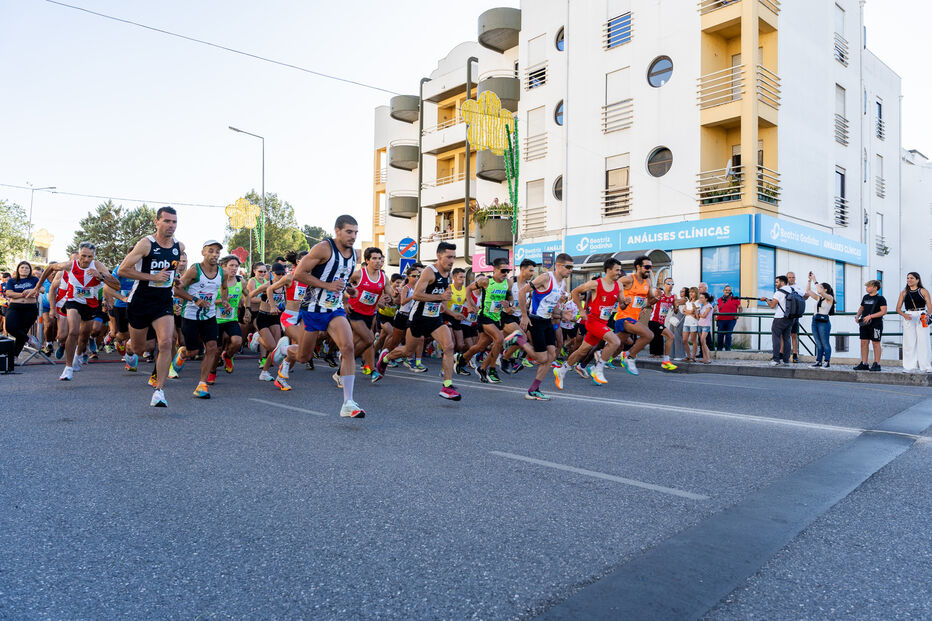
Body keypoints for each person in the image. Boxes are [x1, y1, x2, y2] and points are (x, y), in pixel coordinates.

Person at [278, 215, 366, 418]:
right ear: (337, 230)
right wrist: (327, 286)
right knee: (303, 357)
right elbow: (299, 274)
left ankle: (348, 402)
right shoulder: (323, 248)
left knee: (348, 347)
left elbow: (340, 277)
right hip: (313, 309)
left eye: (355, 232)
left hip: (334, 308)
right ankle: (283, 349)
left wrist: (348, 289)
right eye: (349, 232)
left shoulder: (354, 254)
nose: (353, 236)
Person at [377, 242, 462, 400]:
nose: (452, 261)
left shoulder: (447, 274)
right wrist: (440, 297)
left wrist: (447, 300)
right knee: (408, 351)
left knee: (449, 346)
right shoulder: (429, 272)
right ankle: (386, 358)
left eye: (454, 257)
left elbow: (443, 294)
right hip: (418, 318)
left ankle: (447, 386)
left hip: (435, 318)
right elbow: (416, 295)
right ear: (439, 256)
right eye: (448, 257)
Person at [118, 206, 184, 407]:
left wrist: (175, 280)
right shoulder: (146, 244)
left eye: (174, 222)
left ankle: (159, 391)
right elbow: (123, 270)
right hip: (140, 301)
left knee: (165, 343)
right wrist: (152, 277)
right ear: (157, 222)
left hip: (163, 301)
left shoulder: (179, 246)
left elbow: (170, 271)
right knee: (139, 348)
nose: (171, 225)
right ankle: (129, 351)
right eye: (166, 221)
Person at [35, 243, 121, 380]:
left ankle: (79, 354)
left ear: (94, 256)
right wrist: (37, 286)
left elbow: (117, 285)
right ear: (79, 254)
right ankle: (68, 368)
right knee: (73, 331)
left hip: (91, 305)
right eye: (83, 256)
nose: (86, 260)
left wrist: (101, 277)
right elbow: (51, 267)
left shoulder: (98, 266)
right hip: (73, 301)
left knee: (83, 337)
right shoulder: (70, 265)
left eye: (90, 257)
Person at [553, 258, 626, 389]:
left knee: (583, 350)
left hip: (603, 322)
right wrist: (581, 310)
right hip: (592, 320)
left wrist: (626, 302)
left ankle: (562, 370)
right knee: (615, 341)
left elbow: (622, 304)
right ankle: (597, 369)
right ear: (608, 270)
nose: (619, 273)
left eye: (620, 270)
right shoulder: (596, 284)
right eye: (617, 270)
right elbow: (575, 292)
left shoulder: (619, 286)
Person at [169, 240, 229, 399]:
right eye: (211, 251)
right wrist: (195, 299)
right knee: (193, 351)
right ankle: (182, 353)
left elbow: (224, 287)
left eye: (217, 252)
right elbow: (176, 290)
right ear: (203, 252)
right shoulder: (195, 270)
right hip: (190, 316)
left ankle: (202, 384)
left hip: (209, 316)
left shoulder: (222, 272)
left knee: (212, 347)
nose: (214, 254)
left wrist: (224, 300)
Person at [518, 252, 573, 400]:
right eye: (568, 267)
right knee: (542, 358)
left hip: (548, 321)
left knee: (551, 357)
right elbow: (522, 292)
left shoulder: (563, 284)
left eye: (572, 268)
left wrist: (562, 314)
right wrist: (524, 315)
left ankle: (533, 390)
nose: (570, 270)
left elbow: (552, 304)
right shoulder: (546, 278)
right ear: (559, 266)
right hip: (535, 320)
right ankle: (518, 340)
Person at [347, 247, 396, 382]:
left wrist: (389, 298)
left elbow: (389, 295)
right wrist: (345, 302)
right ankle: (369, 369)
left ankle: (347, 359)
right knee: (369, 339)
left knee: (360, 342)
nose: (378, 261)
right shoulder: (358, 274)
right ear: (367, 260)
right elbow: (344, 285)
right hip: (354, 312)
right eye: (374, 258)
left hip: (370, 313)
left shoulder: (384, 278)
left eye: (380, 259)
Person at [612, 255, 658, 375]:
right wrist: (621, 300)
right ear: (638, 267)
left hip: (634, 318)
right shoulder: (628, 279)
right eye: (647, 267)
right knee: (648, 335)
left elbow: (648, 301)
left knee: (615, 347)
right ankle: (630, 356)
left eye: (650, 267)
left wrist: (655, 299)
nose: (649, 269)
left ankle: (594, 363)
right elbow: (612, 287)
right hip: (623, 317)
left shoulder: (647, 282)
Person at [3, 261, 41, 359]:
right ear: (18, 269)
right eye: (22, 267)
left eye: (27, 268)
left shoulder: (34, 279)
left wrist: (32, 290)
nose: (24, 269)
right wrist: (23, 294)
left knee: (23, 331)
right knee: (10, 327)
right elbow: (9, 293)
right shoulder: (12, 280)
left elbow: (42, 289)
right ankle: (29, 339)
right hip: (15, 307)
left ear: (30, 270)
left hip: (30, 309)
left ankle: (14, 357)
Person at [215, 255, 244, 378]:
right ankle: (211, 373)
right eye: (231, 265)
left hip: (231, 319)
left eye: (236, 266)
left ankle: (228, 356)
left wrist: (246, 308)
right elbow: (207, 300)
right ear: (223, 267)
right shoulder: (216, 281)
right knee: (216, 350)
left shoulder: (240, 281)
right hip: (215, 320)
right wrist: (223, 300)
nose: (234, 268)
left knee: (237, 342)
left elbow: (247, 294)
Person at [896, 272, 932, 373]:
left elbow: (929, 306)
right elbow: (898, 308)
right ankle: (909, 367)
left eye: (911, 278)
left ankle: (926, 366)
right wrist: (904, 315)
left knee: (924, 341)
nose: (909, 280)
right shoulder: (904, 292)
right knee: (909, 342)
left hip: (922, 315)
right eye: (907, 278)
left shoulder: (923, 291)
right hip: (909, 315)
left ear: (917, 280)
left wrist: (928, 315)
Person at [853, 280, 887, 371]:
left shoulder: (881, 298)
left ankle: (876, 363)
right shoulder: (865, 297)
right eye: (866, 286)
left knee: (876, 343)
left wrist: (871, 316)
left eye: (868, 286)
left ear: (875, 288)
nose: (866, 288)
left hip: (876, 323)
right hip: (864, 323)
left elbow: (883, 311)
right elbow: (862, 307)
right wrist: (857, 316)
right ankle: (864, 363)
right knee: (863, 342)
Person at [760, 275, 793, 366]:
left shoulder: (778, 292)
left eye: (777, 282)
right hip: (790, 318)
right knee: (787, 339)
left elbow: (772, 306)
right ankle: (786, 360)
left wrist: (766, 299)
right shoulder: (791, 290)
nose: (775, 284)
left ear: (782, 282)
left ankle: (776, 359)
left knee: (776, 338)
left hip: (779, 318)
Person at [805, 273, 836, 368]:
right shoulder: (819, 298)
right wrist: (809, 280)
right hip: (815, 320)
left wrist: (815, 280)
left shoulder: (829, 298)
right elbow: (808, 290)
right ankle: (818, 361)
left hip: (823, 322)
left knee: (825, 342)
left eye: (821, 287)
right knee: (818, 343)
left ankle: (827, 361)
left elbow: (820, 291)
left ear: (825, 290)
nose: (819, 288)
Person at [786, 271, 806, 363]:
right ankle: (782, 354)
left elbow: (806, 295)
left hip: (795, 314)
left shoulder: (798, 287)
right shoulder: (784, 287)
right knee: (784, 335)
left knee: (794, 335)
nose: (791, 279)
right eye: (789, 277)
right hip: (786, 314)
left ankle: (794, 355)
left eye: (793, 277)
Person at [715, 286, 741, 351]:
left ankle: (727, 349)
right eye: (726, 290)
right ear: (723, 291)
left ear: (731, 291)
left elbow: (740, 308)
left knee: (728, 335)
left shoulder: (734, 299)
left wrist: (738, 315)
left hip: (731, 320)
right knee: (720, 335)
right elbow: (715, 308)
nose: (727, 291)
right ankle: (719, 349)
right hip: (721, 320)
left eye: (729, 290)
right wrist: (715, 316)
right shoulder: (719, 299)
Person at [682, 287, 700, 362]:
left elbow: (693, 311)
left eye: (693, 292)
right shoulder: (688, 302)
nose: (691, 293)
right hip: (686, 323)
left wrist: (688, 312)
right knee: (684, 340)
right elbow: (684, 311)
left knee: (693, 340)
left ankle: (693, 357)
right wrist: (690, 312)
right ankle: (688, 356)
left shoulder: (698, 302)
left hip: (693, 323)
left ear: (696, 293)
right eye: (690, 292)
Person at [696, 292, 714, 363]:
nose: (700, 299)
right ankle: (704, 358)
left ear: (706, 299)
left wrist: (699, 314)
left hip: (706, 325)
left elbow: (704, 316)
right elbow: (699, 317)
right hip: (700, 324)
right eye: (700, 297)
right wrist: (696, 311)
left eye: (702, 298)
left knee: (703, 341)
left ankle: (708, 358)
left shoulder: (709, 306)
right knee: (702, 342)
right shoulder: (702, 306)